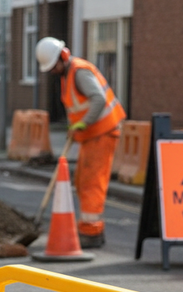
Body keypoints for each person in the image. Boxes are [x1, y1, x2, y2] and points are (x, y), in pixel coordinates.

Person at [36, 37, 126, 248]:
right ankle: (91, 229)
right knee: (82, 181)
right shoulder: (67, 75)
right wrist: (75, 127)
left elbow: (98, 99)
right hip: (91, 135)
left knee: (91, 183)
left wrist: (84, 123)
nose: (52, 71)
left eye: (53, 66)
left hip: (102, 132)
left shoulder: (79, 72)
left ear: (63, 56)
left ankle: (91, 232)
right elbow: (78, 106)